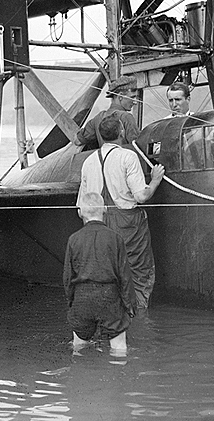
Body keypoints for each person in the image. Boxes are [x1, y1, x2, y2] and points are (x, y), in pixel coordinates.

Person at [77, 116, 165, 313]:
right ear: (122, 132)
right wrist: (156, 180)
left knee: (106, 271)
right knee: (138, 270)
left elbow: (81, 208)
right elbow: (142, 196)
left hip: (97, 223)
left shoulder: (88, 162)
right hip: (127, 222)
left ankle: (109, 316)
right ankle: (139, 315)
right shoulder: (128, 156)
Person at [63, 192, 136, 353]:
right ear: (104, 209)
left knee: (79, 348)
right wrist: (130, 306)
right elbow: (125, 277)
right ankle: (119, 374)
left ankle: (81, 374)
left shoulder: (73, 239)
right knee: (119, 348)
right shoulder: (116, 238)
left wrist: (72, 304)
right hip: (109, 297)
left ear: (80, 212)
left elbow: (68, 278)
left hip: (83, 299)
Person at [75, 75, 141, 150]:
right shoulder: (126, 117)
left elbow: (77, 141)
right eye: (132, 97)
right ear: (120, 96)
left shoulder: (98, 118)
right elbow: (139, 147)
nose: (135, 102)